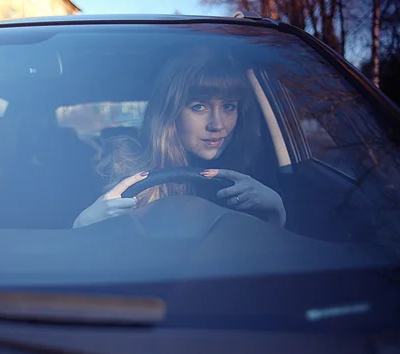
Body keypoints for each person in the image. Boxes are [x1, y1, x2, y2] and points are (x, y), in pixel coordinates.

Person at [73, 48, 286, 228]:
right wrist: (84, 224)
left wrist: (276, 209)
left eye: (229, 106)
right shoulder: (121, 174)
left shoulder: (255, 172)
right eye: (199, 107)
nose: (218, 124)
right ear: (170, 111)